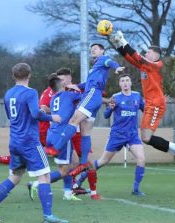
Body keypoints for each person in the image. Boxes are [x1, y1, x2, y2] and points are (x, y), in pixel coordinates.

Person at [0, 63, 68, 223]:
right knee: (44, 176)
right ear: (29, 75)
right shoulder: (30, 93)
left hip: (15, 141)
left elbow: (10, 115)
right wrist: (52, 117)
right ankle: (48, 216)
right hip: (29, 142)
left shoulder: (8, 94)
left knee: (15, 176)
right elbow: (35, 113)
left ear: (14, 76)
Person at [51, 43, 125, 200]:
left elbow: (109, 62)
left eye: (96, 48)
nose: (93, 50)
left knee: (74, 120)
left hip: (92, 94)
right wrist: (75, 86)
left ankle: (55, 148)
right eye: (92, 49)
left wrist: (117, 67)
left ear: (102, 51)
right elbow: (86, 84)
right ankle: (85, 164)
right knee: (86, 131)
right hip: (93, 95)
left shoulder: (103, 60)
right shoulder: (94, 69)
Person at [110, 31, 175, 167]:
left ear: (156, 55)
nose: (146, 54)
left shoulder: (156, 65)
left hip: (156, 104)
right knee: (145, 138)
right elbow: (130, 57)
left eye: (148, 52)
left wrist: (123, 40)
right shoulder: (145, 65)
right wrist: (118, 45)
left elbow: (138, 57)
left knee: (146, 137)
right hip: (150, 104)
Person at [74, 74, 146, 196]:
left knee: (141, 159)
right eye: (122, 81)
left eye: (127, 80)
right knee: (103, 161)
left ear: (131, 83)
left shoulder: (137, 96)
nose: (125, 83)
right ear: (120, 84)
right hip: (117, 135)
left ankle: (136, 189)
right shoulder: (115, 97)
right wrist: (111, 108)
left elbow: (145, 109)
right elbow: (106, 115)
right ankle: (81, 178)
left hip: (132, 135)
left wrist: (158, 106)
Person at [28, 74, 82, 202]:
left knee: (73, 162)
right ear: (62, 85)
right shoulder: (68, 95)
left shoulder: (53, 99)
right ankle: (37, 184)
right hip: (62, 135)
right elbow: (84, 97)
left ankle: (68, 193)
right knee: (64, 170)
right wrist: (76, 88)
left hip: (51, 134)